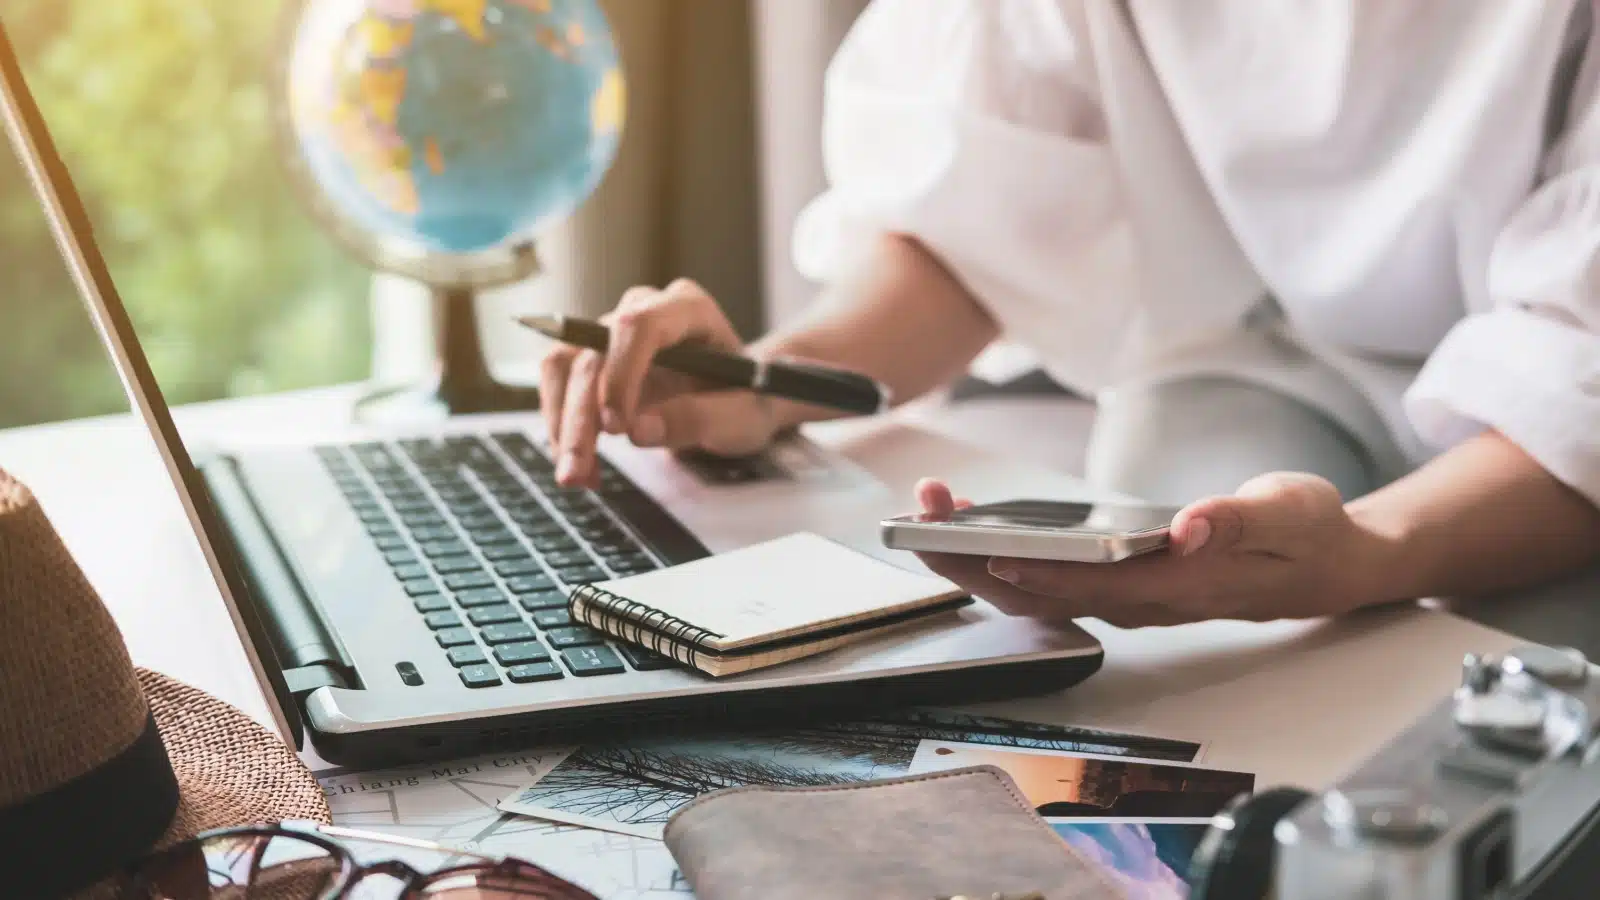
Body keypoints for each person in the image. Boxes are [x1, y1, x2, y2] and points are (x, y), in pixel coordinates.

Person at [540, 0, 1600, 628]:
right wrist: (767, 381)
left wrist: (1370, 555)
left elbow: (1578, 383)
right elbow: (975, 222)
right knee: (1179, 604)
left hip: (1557, 437)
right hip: (1264, 363)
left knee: (1517, 683)